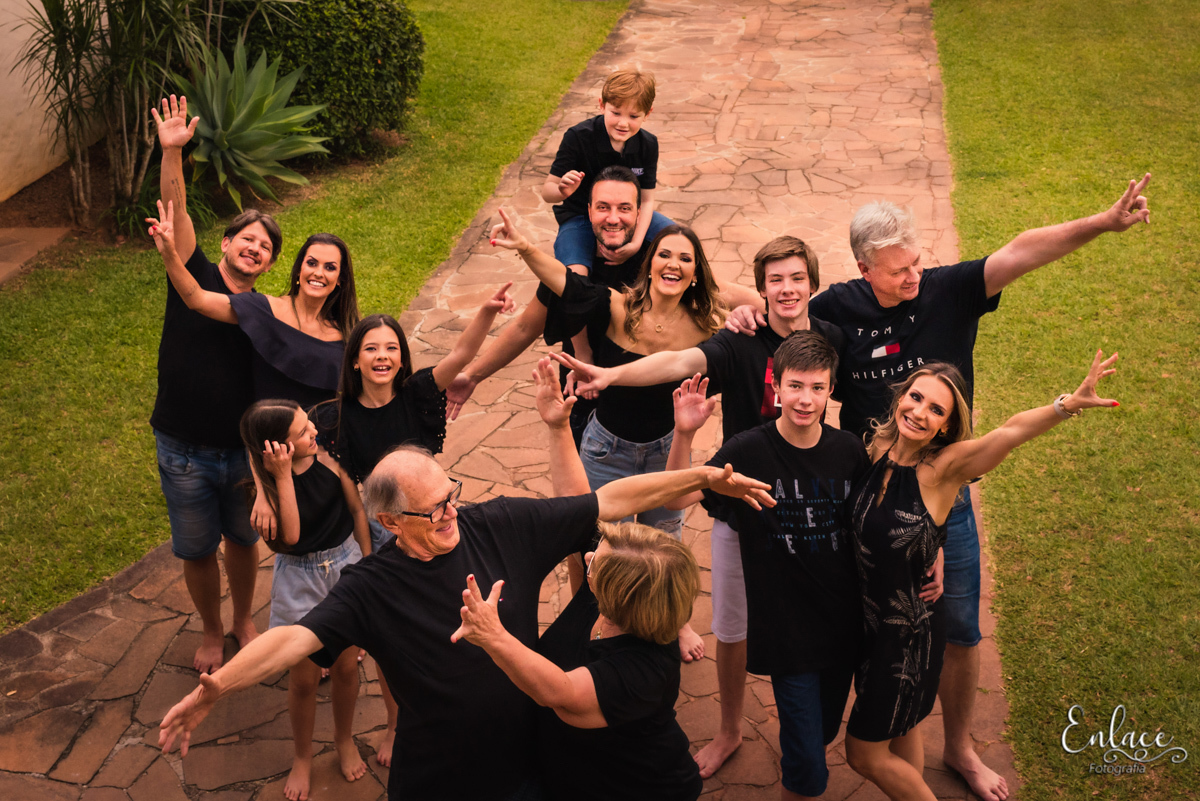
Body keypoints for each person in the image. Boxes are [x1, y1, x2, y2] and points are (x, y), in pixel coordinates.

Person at [726, 177, 1151, 801]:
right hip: (871, 494)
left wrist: (1101, 223)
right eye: (899, 270)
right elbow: (785, 308)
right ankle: (895, 738)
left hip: (940, 493)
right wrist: (743, 310)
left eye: (917, 261)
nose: (914, 276)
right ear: (864, 268)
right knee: (874, 621)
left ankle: (960, 747)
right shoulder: (842, 305)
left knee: (958, 625)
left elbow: (1022, 251)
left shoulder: (947, 289)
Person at [158, 423, 774, 801]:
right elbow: (294, 639)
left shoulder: (500, 523)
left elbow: (608, 498)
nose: (452, 513)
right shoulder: (370, 586)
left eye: (451, 495)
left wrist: (703, 477)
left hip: (533, 767)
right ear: (392, 523)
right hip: (446, 782)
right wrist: (221, 687)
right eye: (433, 511)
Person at [552, 236, 856, 776]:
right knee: (733, 625)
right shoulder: (740, 338)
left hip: (810, 503)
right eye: (775, 281)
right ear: (760, 290)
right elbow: (675, 360)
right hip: (738, 499)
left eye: (796, 279)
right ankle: (731, 729)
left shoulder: (831, 337)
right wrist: (611, 374)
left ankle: (811, 731)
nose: (787, 290)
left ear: (813, 282)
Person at [843, 352, 1119, 800]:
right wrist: (933, 549)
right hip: (870, 627)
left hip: (906, 639)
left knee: (863, 754)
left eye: (937, 410)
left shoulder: (943, 469)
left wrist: (1067, 404)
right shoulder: (875, 448)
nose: (920, 412)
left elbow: (1009, 433)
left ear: (947, 427)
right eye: (916, 397)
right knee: (902, 732)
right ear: (900, 398)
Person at [665, 332, 924, 800]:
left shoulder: (848, 451)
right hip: (786, 632)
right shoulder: (746, 451)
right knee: (806, 763)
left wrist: (934, 554)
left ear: (830, 390)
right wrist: (685, 433)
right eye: (796, 386)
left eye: (818, 388)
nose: (806, 399)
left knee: (821, 732)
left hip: (844, 627)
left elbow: (882, 520)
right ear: (776, 386)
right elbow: (676, 494)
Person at [490, 212, 729, 660]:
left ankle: (675, 623)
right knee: (594, 547)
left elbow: (752, 315)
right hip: (606, 449)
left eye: (685, 258)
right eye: (664, 255)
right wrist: (525, 248)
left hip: (666, 451)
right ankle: (592, 617)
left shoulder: (708, 329)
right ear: (650, 264)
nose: (673, 264)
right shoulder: (619, 308)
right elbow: (568, 285)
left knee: (665, 547)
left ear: (697, 274)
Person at [306, 286, 514, 767]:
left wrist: (484, 311)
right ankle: (397, 724)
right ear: (354, 361)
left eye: (391, 348)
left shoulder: (418, 393)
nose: (382, 356)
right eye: (371, 348)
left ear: (402, 359)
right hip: (384, 532)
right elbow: (282, 432)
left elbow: (462, 352)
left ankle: (469, 686)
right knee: (393, 636)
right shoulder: (335, 418)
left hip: (438, 517)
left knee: (452, 606)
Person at [446, 166, 760, 428]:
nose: (613, 218)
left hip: (658, 411)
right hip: (586, 402)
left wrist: (784, 314)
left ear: (640, 213)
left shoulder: (660, 262)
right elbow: (527, 327)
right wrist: (472, 376)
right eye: (603, 207)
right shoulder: (574, 265)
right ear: (589, 211)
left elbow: (723, 291)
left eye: (624, 208)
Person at [148, 95, 281, 674]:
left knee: (243, 542)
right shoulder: (193, 275)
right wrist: (172, 152)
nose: (254, 247)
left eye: (265, 247)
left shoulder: (267, 311)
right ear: (226, 244)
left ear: (269, 264)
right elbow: (175, 217)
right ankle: (209, 628)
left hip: (239, 453)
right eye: (246, 238)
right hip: (181, 447)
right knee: (197, 548)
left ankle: (243, 618)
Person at [452, 523, 703, 801]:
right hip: (566, 770)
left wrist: (493, 636)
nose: (587, 557)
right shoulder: (606, 601)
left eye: (595, 560)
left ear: (619, 593)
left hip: (631, 787)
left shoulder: (644, 671)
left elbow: (559, 693)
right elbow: (582, 509)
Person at [240, 400, 371, 800]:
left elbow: (356, 511)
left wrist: (368, 568)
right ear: (278, 448)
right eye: (302, 432)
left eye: (308, 423)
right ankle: (302, 756)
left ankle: (344, 739)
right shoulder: (264, 500)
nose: (314, 431)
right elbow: (292, 537)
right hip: (300, 580)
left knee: (347, 667)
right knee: (303, 679)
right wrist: (277, 478)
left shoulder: (331, 460)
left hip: (345, 566)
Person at [148, 200, 358, 408]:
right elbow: (198, 300)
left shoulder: (347, 335)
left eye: (330, 267)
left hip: (320, 440)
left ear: (340, 279)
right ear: (299, 269)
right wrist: (169, 254)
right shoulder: (263, 309)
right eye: (311, 263)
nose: (318, 273)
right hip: (265, 438)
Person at [543, 69, 670, 278]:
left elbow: (646, 201)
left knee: (680, 242)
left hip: (630, 216)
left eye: (634, 116)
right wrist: (562, 190)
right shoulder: (578, 137)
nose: (623, 123)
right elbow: (547, 192)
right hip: (580, 216)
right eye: (616, 112)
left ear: (648, 113)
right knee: (574, 275)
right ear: (602, 105)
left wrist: (636, 243)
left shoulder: (648, 144)